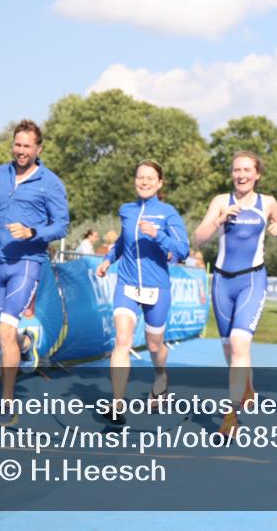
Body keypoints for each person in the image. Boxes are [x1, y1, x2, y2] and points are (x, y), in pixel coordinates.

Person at [0, 120, 69, 427]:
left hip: (27, 264)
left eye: (27, 146)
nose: (21, 151)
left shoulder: (50, 183)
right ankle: (24, 344)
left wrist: (33, 231)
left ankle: (7, 405)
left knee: (5, 334)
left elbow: (61, 225)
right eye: (17, 145)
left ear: (38, 149)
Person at [194, 151, 277, 435]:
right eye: (237, 170)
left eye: (247, 170)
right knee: (229, 351)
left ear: (257, 174)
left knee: (238, 344)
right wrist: (219, 219)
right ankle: (246, 387)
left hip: (252, 281)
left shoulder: (267, 202)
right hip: (222, 283)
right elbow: (198, 238)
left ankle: (230, 418)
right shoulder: (221, 201)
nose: (241, 175)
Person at [96, 160, 189, 425]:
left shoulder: (168, 213)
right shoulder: (126, 210)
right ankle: (117, 404)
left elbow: (182, 250)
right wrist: (107, 259)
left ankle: (161, 376)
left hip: (156, 287)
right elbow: (123, 242)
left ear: (160, 183)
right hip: (126, 283)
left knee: (154, 345)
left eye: (150, 178)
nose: (144, 182)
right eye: (140, 177)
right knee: (122, 340)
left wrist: (158, 234)